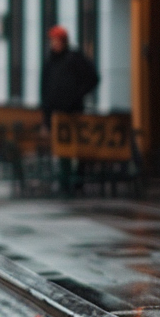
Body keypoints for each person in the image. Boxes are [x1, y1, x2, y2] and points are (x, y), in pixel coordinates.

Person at [40, 25, 100, 197]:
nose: (53, 43)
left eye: (56, 40)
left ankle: (77, 181)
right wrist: (45, 117)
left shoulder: (74, 58)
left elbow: (92, 78)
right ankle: (65, 182)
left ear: (63, 41)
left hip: (73, 113)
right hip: (56, 115)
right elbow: (44, 90)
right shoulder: (50, 62)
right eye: (52, 40)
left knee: (78, 149)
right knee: (62, 151)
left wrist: (77, 95)